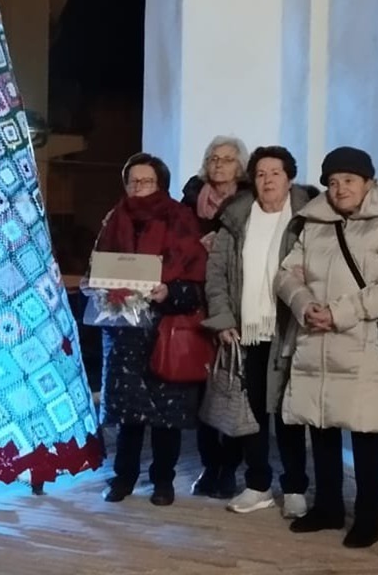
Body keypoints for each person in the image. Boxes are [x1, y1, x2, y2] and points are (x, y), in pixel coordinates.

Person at [277, 147, 378, 548]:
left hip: (364, 343)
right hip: (315, 338)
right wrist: (305, 306)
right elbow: (288, 274)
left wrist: (338, 313)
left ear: (369, 183)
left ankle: (369, 518)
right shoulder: (314, 224)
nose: (340, 189)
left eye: (349, 180)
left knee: (366, 430)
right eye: (333, 182)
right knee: (320, 425)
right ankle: (328, 507)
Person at [204, 146, 315, 518]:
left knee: (288, 413)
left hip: (290, 331)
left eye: (276, 173)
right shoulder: (236, 218)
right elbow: (216, 275)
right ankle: (258, 484)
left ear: (289, 178)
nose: (268, 180)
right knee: (250, 415)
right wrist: (222, 320)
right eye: (262, 173)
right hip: (246, 331)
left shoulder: (308, 219)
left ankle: (296, 487)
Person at [93, 153, 207, 506]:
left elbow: (197, 281)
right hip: (125, 330)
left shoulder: (180, 219)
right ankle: (123, 478)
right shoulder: (114, 219)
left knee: (165, 416)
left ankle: (163, 481)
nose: (139, 188)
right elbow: (99, 265)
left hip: (165, 330)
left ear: (161, 185)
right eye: (133, 181)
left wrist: (169, 292)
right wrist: (100, 285)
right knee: (128, 414)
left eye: (147, 181)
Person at [181, 135, 249, 499]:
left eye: (227, 159)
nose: (220, 165)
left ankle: (230, 468)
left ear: (240, 166)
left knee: (235, 390)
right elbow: (176, 246)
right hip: (198, 306)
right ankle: (210, 466)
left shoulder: (251, 205)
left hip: (237, 305)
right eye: (213, 158)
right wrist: (197, 246)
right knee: (204, 392)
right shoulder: (191, 203)